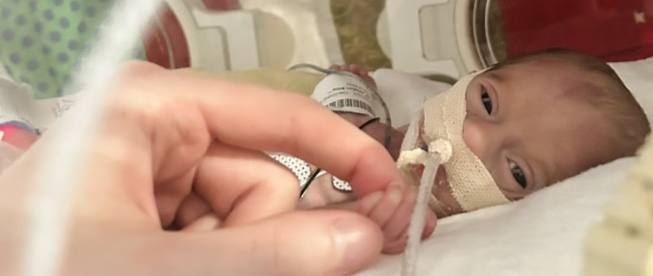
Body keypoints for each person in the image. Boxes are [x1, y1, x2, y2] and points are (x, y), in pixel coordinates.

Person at [0, 61, 434, 276]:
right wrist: (355, 82)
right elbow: (335, 90)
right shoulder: (356, 115)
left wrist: (385, 220)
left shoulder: (406, 180)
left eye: (507, 171)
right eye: (484, 101)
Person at [300, 48, 651, 217]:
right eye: (486, 99)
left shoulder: (416, 228)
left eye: (517, 171)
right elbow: (337, 97)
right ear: (473, 74)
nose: (475, 135)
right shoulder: (366, 129)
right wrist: (350, 84)